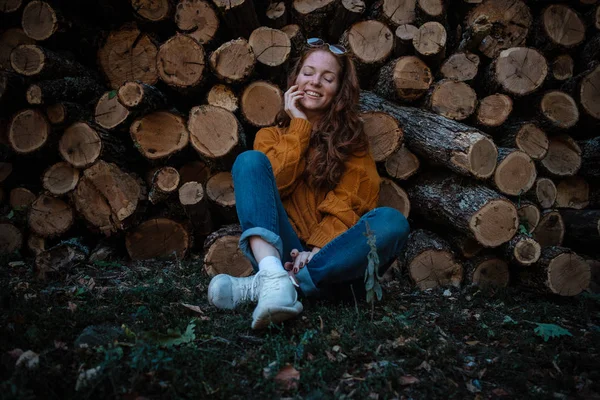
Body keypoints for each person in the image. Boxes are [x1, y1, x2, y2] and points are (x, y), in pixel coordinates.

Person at [207, 39, 410, 330]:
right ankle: (273, 274)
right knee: (249, 162)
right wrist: (299, 126)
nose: (315, 82)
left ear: (339, 89)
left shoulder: (352, 140)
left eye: (327, 78)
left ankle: (277, 285)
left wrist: (316, 251)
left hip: (333, 260)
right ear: (295, 79)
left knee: (392, 221)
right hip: (281, 250)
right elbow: (275, 186)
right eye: (308, 73)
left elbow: (350, 199)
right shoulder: (269, 137)